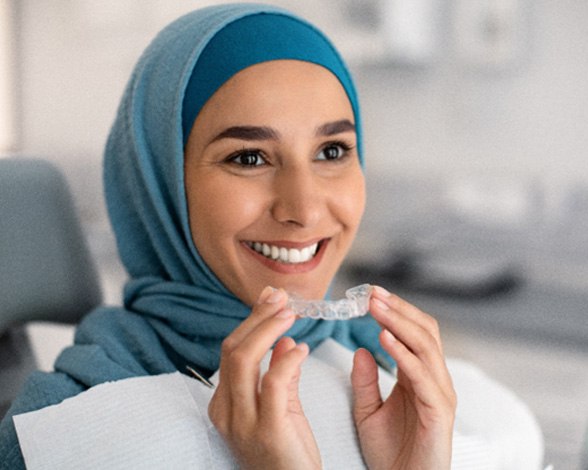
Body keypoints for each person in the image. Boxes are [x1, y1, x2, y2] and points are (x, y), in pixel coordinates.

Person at [1, 3, 540, 469]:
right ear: (159, 182)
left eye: (332, 151)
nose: (304, 209)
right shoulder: (62, 433)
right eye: (249, 157)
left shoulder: (403, 384)